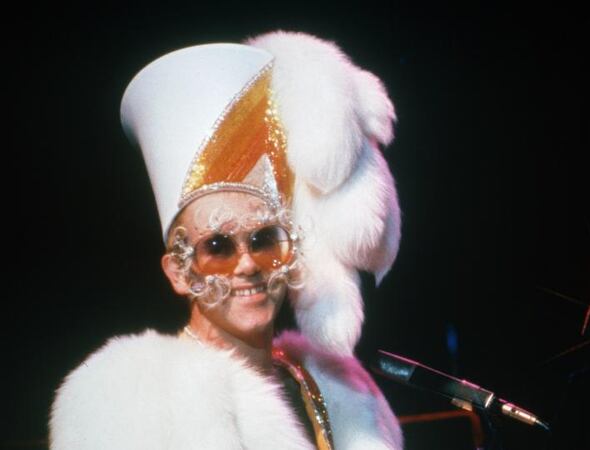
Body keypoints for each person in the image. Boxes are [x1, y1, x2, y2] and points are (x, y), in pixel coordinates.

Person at [49, 30, 403, 450]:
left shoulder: (342, 392)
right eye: (218, 247)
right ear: (180, 271)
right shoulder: (123, 397)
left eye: (264, 239)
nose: (248, 264)